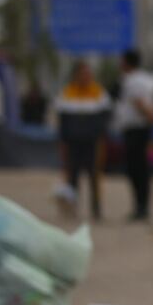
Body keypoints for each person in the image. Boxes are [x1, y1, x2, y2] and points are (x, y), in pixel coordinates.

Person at [53, 59, 111, 222]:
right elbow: (62, 120)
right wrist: (63, 141)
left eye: (88, 74)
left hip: (92, 142)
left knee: (94, 176)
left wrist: (100, 137)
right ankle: (72, 208)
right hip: (73, 142)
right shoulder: (66, 93)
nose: (86, 76)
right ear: (76, 75)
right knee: (72, 176)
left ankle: (96, 209)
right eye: (82, 73)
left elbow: (104, 119)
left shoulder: (99, 93)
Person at [112, 49, 153, 222]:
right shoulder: (145, 79)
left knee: (136, 169)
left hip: (136, 129)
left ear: (126, 62)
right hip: (141, 128)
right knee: (141, 168)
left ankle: (141, 207)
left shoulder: (131, 81)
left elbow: (139, 103)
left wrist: (151, 117)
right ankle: (141, 206)